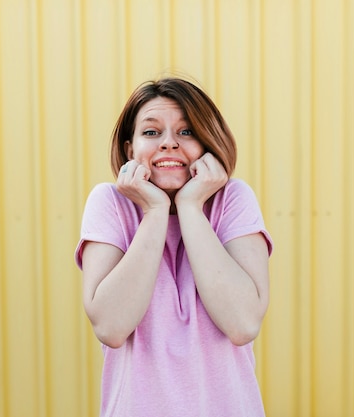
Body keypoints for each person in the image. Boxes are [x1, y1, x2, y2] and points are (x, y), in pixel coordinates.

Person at [74, 77, 273, 417]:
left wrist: (191, 207)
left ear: (209, 143)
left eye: (186, 132)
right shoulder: (109, 204)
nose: (168, 143)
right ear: (129, 150)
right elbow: (110, 326)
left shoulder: (233, 200)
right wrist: (154, 211)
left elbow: (243, 324)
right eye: (151, 133)